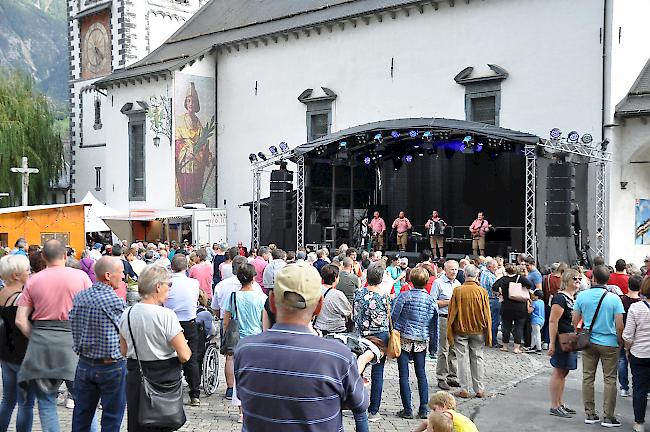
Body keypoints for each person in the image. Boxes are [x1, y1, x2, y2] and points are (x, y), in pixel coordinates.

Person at [234, 261, 369, 431]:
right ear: (319, 306)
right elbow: (360, 403)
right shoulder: (337, 357)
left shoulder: (245, 350)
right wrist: (362, 361)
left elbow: (244, 396)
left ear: (273, 301)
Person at [15, 239, 93, 432]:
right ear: (65, 255)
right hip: (75, 344)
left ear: (43, 257)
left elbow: (20, 320)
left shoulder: (33, 280)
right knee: (84, 403)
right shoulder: (81, 277)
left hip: (43, 347)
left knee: (46, 403)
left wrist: (36, 337)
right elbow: (92, 312)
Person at [119, 264, 191, 432]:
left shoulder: (127, 313)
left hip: (137, 375)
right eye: (169, 285)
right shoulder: (166, 315)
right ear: (158, 286)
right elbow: (185, 355)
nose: (170, 289)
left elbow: (123, 350)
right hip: (163, 378)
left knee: (138, 424)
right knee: (162, 424)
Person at [69, 257, 127, 431]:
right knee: (111, 419)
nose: (123, 276)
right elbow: (126, 332)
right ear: (108, 275)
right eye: (121, 272)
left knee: (81, 416)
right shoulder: (114, 301)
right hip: (111, 366)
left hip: (84, 364)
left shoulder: (80, 297)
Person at [572, 265, 625, 427]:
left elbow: (575, 319)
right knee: (610, 380)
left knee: (588, 377)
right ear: (608, 279)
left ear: (593, 278)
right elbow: (619, 325)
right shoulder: (614, 298)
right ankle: (608, 416)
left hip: (589, 342)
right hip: (609, 343)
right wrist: (620, 341)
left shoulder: (582, 296)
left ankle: (590, 413)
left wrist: (580, 331)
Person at [211, 255, 262, 399]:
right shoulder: (258, 292)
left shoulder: (225, 288)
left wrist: (226, 332)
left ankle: (230, 388)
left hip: (234, 330)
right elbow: (262, 317)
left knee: (230, 358)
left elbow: (220, 313)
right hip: (254, 332)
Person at [391, 267, 437, 419]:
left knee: (403, 375)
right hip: (421, 339)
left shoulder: (404, 296)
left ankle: (407, 409)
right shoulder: (431, 300)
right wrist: (433, 346)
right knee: (421, 374)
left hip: (404, 336)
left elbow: (394, 315)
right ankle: (423, 408)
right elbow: (433, 324)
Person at [0, 255, 35, 432]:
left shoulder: (1, 293)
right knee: (26, 404)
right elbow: (24, 324)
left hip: (5, 355)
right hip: (23, 355)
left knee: (8, 400)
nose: (30, 272)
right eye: (27, 270)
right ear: (16, 275)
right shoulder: (22, 298)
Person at [446, 264, 492, 399]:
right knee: (478, 358)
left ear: (465, 275)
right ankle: (479, 389)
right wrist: (487, 331)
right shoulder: (482, 291)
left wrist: (450, 330)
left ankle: (464, 389)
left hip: (461, 329)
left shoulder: (458, 290)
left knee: (462, 358)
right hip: (478, 329)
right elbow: (487, 314)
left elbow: (452, 312)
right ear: (477, 275)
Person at [354, 262, 391, 422]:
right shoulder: (383, 297)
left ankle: (356, 403)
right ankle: (373, 410)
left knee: (358, 371)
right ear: (381, 279)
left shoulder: (358, 293)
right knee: (378, 373)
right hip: (379, 336)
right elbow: (386, 319)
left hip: (360, 335)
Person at [164, 254, 202, 406]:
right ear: (186, 267)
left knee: (168, 356)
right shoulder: (193, 283)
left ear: (171, 267)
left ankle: (169, 390)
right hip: (188, 322)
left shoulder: (167, 283)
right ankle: (195, 394)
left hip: (170, 321)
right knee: (191, 358)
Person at [547, 268, 580, 418]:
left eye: (579, 279)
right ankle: (555, 405)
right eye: (575, 279)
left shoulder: (572, 298)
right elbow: (553, 321)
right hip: (562, 339)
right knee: (559, 371)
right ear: (567, 280)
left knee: (564, 372)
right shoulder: (560, 298)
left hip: (569, 338)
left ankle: (560, 403)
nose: (578, 281)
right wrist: (552, 343)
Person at [175, 82, 214, 205]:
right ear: (186, 103)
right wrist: (186, 152)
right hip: (185, 165)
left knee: (196, 195)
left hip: (197, 166)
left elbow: (204, 145)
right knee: (186, 193)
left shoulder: (199, 123)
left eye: (193, 101)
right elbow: (177, 143)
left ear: (197, 104)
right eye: (189, 101)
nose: (191, 104)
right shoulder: (180, 120)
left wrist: (210, 157)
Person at [622, 277, 650, 432]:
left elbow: (627, 335)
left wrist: (627, 349)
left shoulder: (636, 308)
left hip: (639, 354)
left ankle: (639, 423)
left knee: (639, 389)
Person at [431, 260, 461, 388]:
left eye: (456, 269)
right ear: (445, 269)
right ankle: (441, 377)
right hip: (443, 318)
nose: (454, 272)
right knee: (443, 349)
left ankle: (452, 376)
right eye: (451, 269)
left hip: (455, 318)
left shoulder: (458, 284)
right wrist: (449, 302)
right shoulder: (438, 283)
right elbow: (432, 302)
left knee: (454, 348)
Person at [492, 263, 533, 353]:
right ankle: (516, 347)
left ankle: (505, 346)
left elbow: (494, 287)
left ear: (506, 271)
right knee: (519, 326)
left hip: (506, 306)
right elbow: (530, 285)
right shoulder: (520, 278)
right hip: (520, 306)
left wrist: (500, 293)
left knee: (506, 326)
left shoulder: (503, 279)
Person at [618, 274, 643, 398]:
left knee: (622, 360)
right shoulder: (642, 304)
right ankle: (641, 386)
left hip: (623, 333)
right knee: (639, 362)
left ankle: (624, 387)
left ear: (628, 285)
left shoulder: (621, 300)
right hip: (638, 336)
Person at [313, 264, 352, 335]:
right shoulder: (338, 294)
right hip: (336, 330)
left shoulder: (316, 289)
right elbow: (348, 312)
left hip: (318, 328)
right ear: (335, 278)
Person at [414, 391, 479, 432]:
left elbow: (431, 424)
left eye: (434, 409)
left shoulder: (446, 415)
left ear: (442, 406)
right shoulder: (453, 413)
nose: (433, 412)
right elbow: (427, 423)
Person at [542, 262, 566, 350]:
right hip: (559, 302)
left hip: (548, 301)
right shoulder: (563, 279)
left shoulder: (547, 278)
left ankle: (546, 341)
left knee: (548, 321)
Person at [530, 289, 545, 354]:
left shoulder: (534, 303)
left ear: (537, 296)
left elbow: (529, 310)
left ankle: (538, 348)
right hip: (542, 320)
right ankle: (532, 346)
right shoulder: (542, 302)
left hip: (535, 320)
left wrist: (529, 304)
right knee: (534, 333)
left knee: (536, 334)